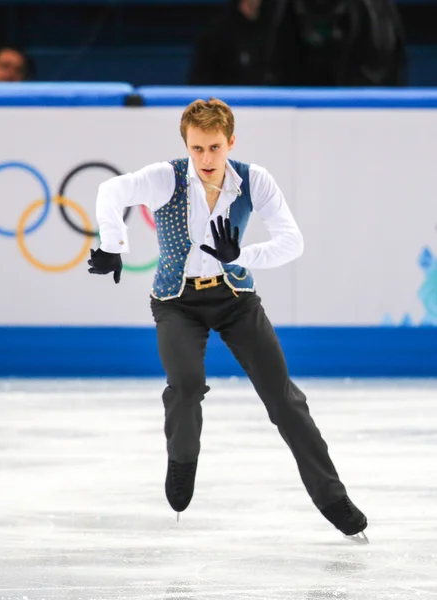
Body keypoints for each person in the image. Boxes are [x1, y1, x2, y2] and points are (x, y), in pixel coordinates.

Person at [87, 98, 368, 541]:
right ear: (187, 144)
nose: (206, 159)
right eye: (197, 149)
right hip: (177, 302)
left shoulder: (254, 181)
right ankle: (182, 462)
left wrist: (243, 256)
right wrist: (112, 244)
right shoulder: (168, 178)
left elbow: (292, 242)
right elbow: (111, 192)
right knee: (186, 386)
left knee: (285, 401)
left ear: (230, 142)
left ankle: (332, 498)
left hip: (235, 298)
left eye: (214, 148)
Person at [189, 0, 405, 87]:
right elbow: (275, 71)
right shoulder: (280, 14)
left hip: (360, 120)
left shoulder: (372, 12)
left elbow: (384, 72)